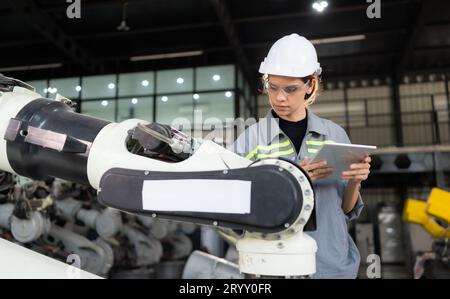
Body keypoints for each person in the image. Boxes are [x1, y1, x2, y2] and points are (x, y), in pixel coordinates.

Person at [232, 33, 371, 278]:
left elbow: (346, 209)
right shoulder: (250, 141)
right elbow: (236, 209)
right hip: (274, 266)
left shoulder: (334, 135)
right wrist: (294, 181)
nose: (280, 97)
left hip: (331, 265)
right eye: (272, 87)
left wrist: (355, 180)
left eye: (291, 89)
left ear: (311, 84)